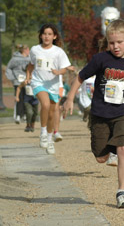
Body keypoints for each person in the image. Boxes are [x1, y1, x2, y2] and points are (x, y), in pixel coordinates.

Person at [63, 19, 124, 208]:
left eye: (119, 42)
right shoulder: (101, 60)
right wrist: (69, 98)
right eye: (111, 43)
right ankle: (111, 146)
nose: (115, 46)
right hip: (100, 114)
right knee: (100, 157)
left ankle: (122, 192)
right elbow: (80, 77)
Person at [26, 23, 71, 155]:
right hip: (38, 82)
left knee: (52, 114)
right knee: (44, 104)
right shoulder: (35, 50)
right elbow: (31, 65)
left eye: (49, 34)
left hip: (53, 85)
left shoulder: (58, 52)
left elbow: (64, 68)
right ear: (41, 35)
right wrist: (28, 77)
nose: (47, 36)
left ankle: (50, 141)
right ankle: (43, 133)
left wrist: (58, 72)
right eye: (44, 34)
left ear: (54, 36)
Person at [5, 44, 31, 124]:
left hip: (28, 82)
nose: (29, 51)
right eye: (28, 50)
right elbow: (8, 68)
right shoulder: (15, 59)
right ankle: (18, 115)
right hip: (18, 81)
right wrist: (13, 78)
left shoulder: (30, 59)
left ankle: (26, 115)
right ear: (24, 50)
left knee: (28, 98)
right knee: (19, 98)